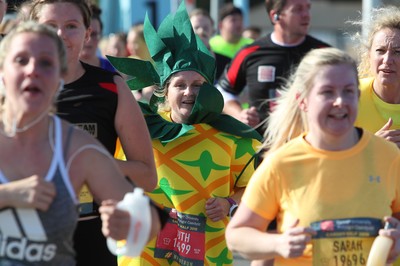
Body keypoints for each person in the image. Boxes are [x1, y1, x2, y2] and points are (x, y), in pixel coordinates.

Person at [107, 2, 262, 265]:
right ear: (164, 91)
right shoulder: (140, 128)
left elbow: (254, 187)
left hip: (207, 252)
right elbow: (112, 171)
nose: (190, 92)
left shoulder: (231, 136)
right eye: (180, 85)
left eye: (198, 84)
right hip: (146, 252)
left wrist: (229, 203)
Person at [0, 21, 161, 265]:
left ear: (59, 79)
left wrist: (129, 223)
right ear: (2, 73)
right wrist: (9, 194)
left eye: (46, 63)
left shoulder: (77, 146)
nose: (33, 69)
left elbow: (149, 220)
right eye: (21, 60)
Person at [225, 47, 400, 265]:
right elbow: (237, 235)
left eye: (348, 91)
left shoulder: (388, 156)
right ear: (303, 100)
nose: (340, 101)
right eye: (327, 92)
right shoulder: (281, 163)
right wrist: (278, 244)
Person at [217, 0, 330, 131]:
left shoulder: (323, 53)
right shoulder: (250, 52)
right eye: (298, 9)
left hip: (307, 146)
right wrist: (240, 114)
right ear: (275, 16)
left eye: (307, 8)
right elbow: (223, 91)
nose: (306, 15)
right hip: (262, 146)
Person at [352, 6, 400, 148]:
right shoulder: (350, 96)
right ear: (369, 56)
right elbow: (331, 158)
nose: (387, 60)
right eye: (380, 51)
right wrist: (371, 146)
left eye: (397, 52)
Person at [189, 8, 231, 80]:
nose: (201, 31)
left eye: (206, 28)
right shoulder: (176, 62)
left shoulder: (227, 64)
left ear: (213, 31)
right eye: (196, 27)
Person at [79, 3, 115, 72]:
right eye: (85, 34)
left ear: (101, 35)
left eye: (94, 34)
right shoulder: (62, 68)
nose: (89, 40)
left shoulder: (110, 69)